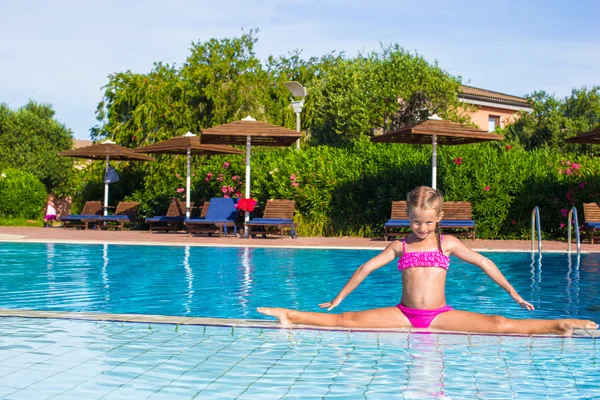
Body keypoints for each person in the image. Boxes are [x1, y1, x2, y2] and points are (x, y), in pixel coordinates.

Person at [258, 186, 598, 336]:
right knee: (347, 319)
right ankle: (290, 316)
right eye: (416, 221)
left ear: (439, 219)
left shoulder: (447, 243)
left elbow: (485, 264)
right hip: (404, 315)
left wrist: (514, 294)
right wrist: (338, 298)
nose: (422, 227)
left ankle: (558, 324)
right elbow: (365, 268)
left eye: (429, 222)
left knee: (498, 323)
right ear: (408, 216)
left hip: (439, 316)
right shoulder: (399, 246)